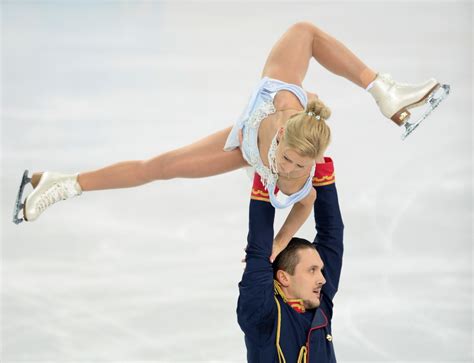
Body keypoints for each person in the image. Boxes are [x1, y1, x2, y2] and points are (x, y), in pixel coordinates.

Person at [13, 21, 448, 254]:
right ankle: (61, 182)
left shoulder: (301, 174)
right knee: (158, 167)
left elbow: (306, 207)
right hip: (258, 119)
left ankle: (383, 91)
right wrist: (300, 98)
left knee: (161, 170)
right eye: (292, 160)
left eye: (302, 167)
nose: (293, 171)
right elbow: (293, 98)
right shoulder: (283, 112)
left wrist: (279, 244)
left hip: (248, 146)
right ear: (281, 142)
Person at [238, 156, 343, 363]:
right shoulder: (262, 314)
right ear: (284, 278)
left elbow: (332, 233)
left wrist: (317, 156)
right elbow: (260, 248)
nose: (323, 279)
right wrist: (265, 171)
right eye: (312, 270)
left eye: (320, 270)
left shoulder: (319, 303)